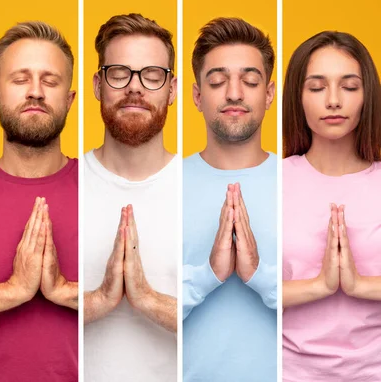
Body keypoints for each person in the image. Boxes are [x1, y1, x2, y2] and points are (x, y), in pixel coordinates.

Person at [83, 13, 178, 382]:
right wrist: (98, 300)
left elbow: (230, 330)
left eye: (151, 75)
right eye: (119, 73)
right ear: (97, 84)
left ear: (172, 89)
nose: (135, 87)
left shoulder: (202, 188)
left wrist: (148, 301)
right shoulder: (64, 185)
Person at [282, 31, 381, 381]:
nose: (334, 100)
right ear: (297, 96)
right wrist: (321, 285)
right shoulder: (270, 182)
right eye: (317, 87)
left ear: (368, 96)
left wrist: (359, 285)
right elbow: (244, 292)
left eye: (349, 87)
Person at [182, 17, 277, 381]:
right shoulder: (165, 182)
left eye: (250, 81)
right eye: (218, 81)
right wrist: (207, 275)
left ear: (268, 93)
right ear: (196, 95)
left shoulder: (298, 183)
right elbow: (138, 301)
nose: (234, 93)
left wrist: (260, 276)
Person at [0, 21, 78, 381]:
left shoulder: (102, 189)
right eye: (20, 79)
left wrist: (62, 290)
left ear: (69, 101)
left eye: (50, 81)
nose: (36, 92)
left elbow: (131, 300)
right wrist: (14, 290)